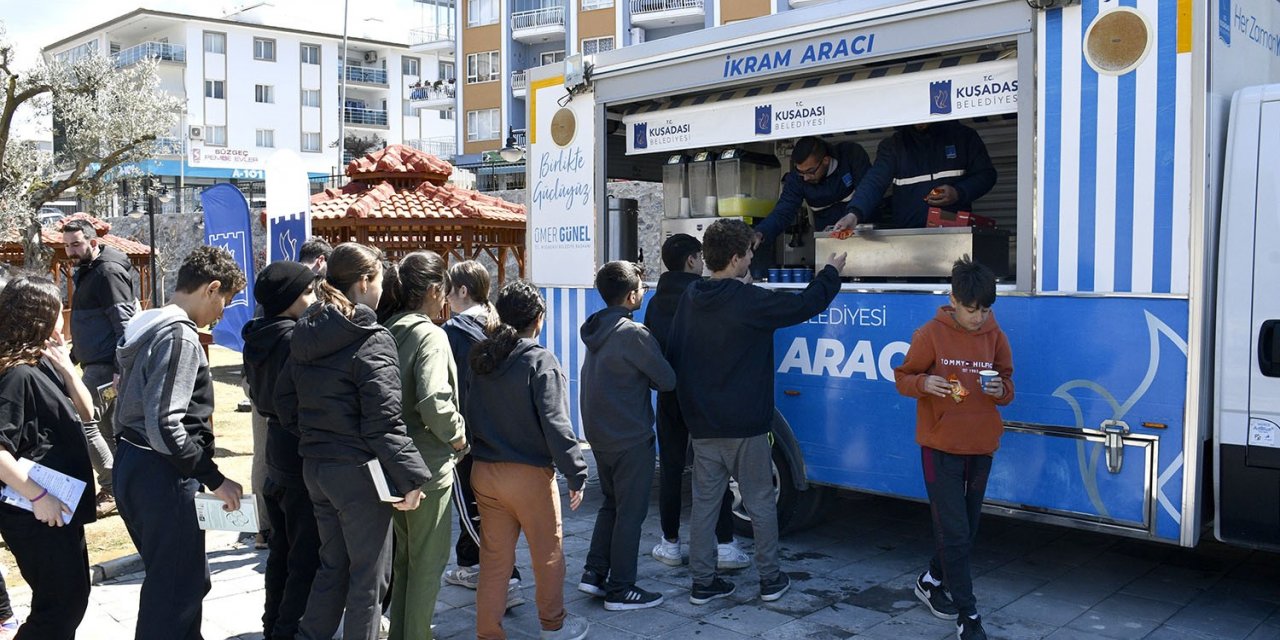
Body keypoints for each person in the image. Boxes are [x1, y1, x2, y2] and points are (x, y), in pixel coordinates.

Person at [666, 219, 844, 606]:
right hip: (746, 424)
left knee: (705, 505)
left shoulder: (692, 296)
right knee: (761, 502)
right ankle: (770, 579)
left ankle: (702, 582)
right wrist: (831, 272)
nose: (751, 259)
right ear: (735, 258)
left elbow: (676, 353)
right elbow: (805, 304)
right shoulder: (750, 301)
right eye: (749, 253)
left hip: (703, 423)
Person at [278, 242, 430, 640]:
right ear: (363, 282)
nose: (382, 290)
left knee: (334, 568)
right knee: (369, 580)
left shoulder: (307, 331)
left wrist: (319, 435)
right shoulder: (370, 337)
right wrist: (412, 479)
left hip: (318, 467)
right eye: (379, 280)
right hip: (358, 474)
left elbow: (284, 401)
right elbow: (385, 421)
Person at [113, 246, 247, 640]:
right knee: (174, 592)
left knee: (183, 581)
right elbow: (164, 423)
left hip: (135, 465)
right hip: (162, 472)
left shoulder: (146, 324)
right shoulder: (180, 336)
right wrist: (215, 478)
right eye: (225, 301)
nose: (223, 312)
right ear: (212, 288)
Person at [893, 256, 1014, 640]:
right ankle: (969, 615)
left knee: (966, 529)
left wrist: (1001, 389)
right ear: (953, 300)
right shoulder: (930, 334)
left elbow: (1008, 385)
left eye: (986, 310)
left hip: (981, 446)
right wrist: (924, 384)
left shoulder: (995, 335)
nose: (979, 318)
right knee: (956, 532)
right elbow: (903, 377)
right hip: (939, 446)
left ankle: (931, 580)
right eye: (971, 309)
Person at [466, 281, 590, 640]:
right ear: (538, 319)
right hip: (528, 475)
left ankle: (488, 632)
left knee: (494, 560)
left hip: (484, 471)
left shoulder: (482, 358)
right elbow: (556, 424)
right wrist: (576, 471)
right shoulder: (540, 360)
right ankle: (553, 625)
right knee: (547, 553)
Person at [377, 252, 469, 640]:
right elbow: (434, 400)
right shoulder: (430, 334)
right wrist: (458, 434)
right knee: (427, 567)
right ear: (433, 290)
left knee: (405, 562)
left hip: (391, 463)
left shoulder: (387, 328)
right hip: (427, 466)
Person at [0, 276, 97, 639]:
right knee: (59, 608)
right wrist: (39, 497)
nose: (63, 315)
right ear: (39, 316)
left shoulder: (43, 361)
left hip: (62, 504)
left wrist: (69, 372)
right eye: (58, 308)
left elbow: (88, 413)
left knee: (72, 599)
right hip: (35, 510)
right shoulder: (16, 375)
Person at [646, 234, 750, 571]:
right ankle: (726, 546)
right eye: (700, 257)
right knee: (715, 469)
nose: (704, 262)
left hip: (668, 394)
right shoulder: (704, 295)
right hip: (705, 395)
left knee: (671, 469)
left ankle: (670, 544)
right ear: (691, 260)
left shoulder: (654, 302)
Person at [577, 261, 675, 611]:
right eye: (642, 287)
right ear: (632, 295)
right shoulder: (634, 333)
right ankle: (621, 588)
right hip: (630, 436)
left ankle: (594, 572)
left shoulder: (596, 328)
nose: (644, 292)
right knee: (630, 514)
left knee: (611, 505)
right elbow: (667, 380)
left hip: (600, 436)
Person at [242, 261, 320, 640]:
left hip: (275, 446)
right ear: (289, 298)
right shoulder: (293, 340)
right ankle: (287, 629)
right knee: (303, 555)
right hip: (296, 448)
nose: (314, 298)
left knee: (281, 551)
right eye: (308, 292)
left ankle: (273, 624)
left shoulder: (259, 334)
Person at [439, 261, 525, 602]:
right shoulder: (500, 326)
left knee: (470, 506)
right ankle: (470, 565)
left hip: (465, 434)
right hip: (502, 431)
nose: (445, 297)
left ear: (462, 290)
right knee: (488, 506)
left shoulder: (450, 333)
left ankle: (509, 578)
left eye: (448, 290)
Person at [62, 218, 138, 516]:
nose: (70, 251)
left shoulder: (107, 272)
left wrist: (121, 368)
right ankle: (125, 488)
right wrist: (71, 357)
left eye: (76, 244)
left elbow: (124, 324)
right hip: (94, 364)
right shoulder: (89, 270)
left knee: (80, 422)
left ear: (93, 242)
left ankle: (112, 487)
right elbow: (92, 324)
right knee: (107, 430)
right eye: (67, 246)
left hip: (106, 368)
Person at [833, 121, 997, 231]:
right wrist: (853, 214)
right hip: (910, 238)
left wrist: (958, 192)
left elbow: (986, 175)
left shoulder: (963, 136)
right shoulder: (894, 145)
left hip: (954, 234)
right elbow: (874, 182)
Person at [752, 137, 872, 250]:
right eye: (800, 172)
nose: (805, 178)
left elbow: (868, 192)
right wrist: (761, 232)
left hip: (867, 237)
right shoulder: (797, 179)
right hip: (830, 242)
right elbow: (783, 211)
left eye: (810, 171)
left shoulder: (850, 155)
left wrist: (853, 215)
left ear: (826, 160)